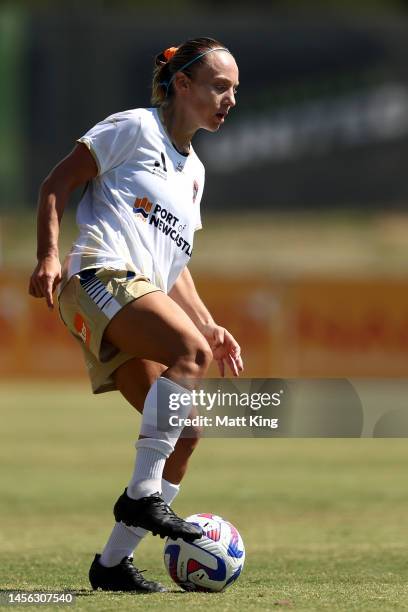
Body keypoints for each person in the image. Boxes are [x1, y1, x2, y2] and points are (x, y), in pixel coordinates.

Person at [29, 36, 243, 593]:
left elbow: (173, 265)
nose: (229, 99)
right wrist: (49, 255)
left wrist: (207, 320)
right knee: (187, 354)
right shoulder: (133, 127)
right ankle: (143, 497)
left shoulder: (194, 172)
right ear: (183, 84)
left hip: (137, 293)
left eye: (235, 91)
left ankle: (111, 566)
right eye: (219, 86)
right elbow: (56, 184)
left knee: (187, 434)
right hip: (98, 277)